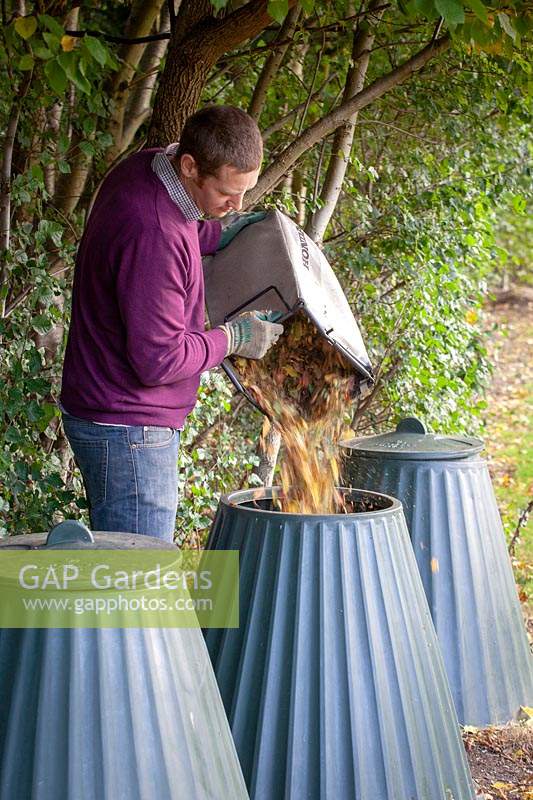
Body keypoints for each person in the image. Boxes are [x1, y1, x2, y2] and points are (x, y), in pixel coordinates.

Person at [60, 105, 283, 541]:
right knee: (138, 588)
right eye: (227, 193)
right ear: (190, 165)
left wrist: (220, 232)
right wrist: (232, 337)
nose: (237, 204)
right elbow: (159, 360)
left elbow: (176, 224)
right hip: (128, 430)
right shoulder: (153, 236)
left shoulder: (148, 168)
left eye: (246, 192)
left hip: (109, 411)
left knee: (126, 576)